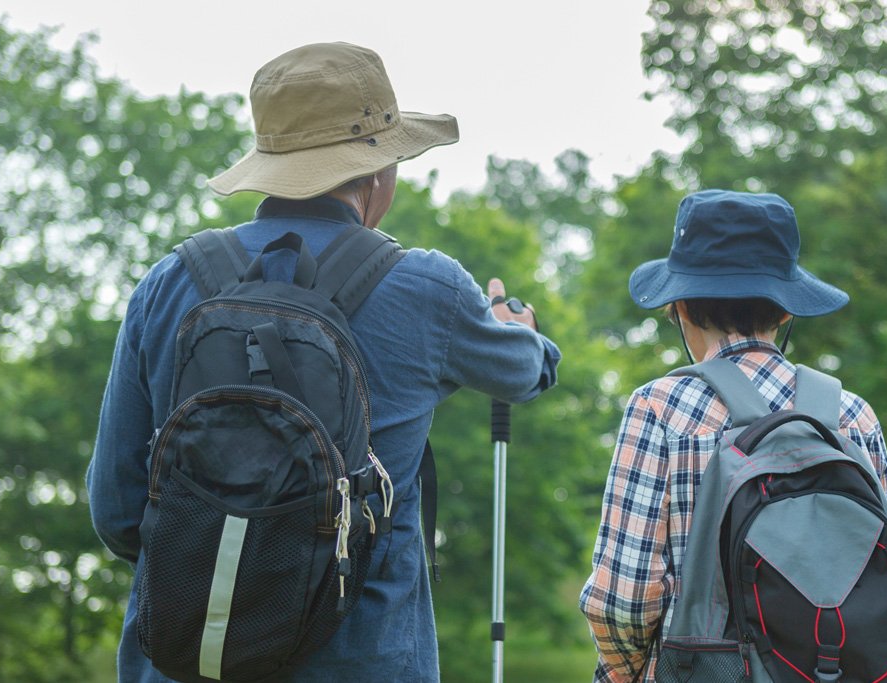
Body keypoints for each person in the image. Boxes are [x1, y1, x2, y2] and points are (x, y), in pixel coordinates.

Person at [87, 42, 560, 681]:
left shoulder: (168, 283)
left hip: (182, 659)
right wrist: (520, 333)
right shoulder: (427, 289)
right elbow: (526, 373)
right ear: (376, 174)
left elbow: (116, 512)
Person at [579, 190, 887, 682]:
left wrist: (628, 674)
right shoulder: (852, 416)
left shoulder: (659, 408)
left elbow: (622, 600)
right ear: (787, 310)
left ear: (680, 306)